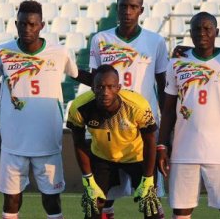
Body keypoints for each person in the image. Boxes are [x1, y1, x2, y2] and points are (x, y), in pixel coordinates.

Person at [0, 0, 82, 219]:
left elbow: (79, 76)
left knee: (51, 199)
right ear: (16, 24)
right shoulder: (2, 52)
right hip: (13, 142)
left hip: (48, 142)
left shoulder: (60, 52)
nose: (27, 29)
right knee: (11, 199)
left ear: (41, 25)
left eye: (32, 24)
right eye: (22, 24)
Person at [157, 12, 220, 219]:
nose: (202, 33)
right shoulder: (176, 63)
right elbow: (168, 110)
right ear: (190, 33)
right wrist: (162, 145)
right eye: (196, 29)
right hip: (184, 150)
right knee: (181, 211)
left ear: (216, 32)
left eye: (207, 28)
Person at [84, 0, 169, 218]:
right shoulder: (101, 39)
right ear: (116, 8)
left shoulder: (156, 41)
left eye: (133, 7)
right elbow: (95, 83)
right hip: (107, 129)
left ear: (141, 10)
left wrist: (164, 134)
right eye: (123, 6)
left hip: (142, 131)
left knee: (149, 200)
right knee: (101, 199)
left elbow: (164, 86)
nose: (127, 11)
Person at [67, 64, 161, 219]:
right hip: (103, 157)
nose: (105, 92)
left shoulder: (137, 105)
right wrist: (88, 179)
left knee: (150, 205)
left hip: (137, 157)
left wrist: (148, 178)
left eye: (111, 87)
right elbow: (78, 143)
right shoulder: (79, 107)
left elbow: (150, 141)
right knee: (93, 207)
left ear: (118, 88)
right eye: (100, 87)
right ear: (93, 88)